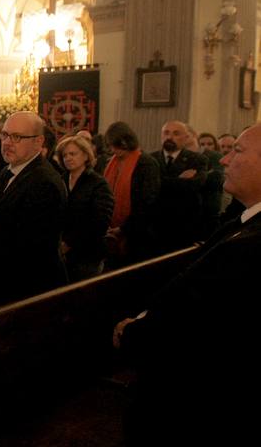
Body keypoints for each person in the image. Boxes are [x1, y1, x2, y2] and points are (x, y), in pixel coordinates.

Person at [112, 123, 261, 445]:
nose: (223, 160)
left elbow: (196, 323)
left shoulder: (250, 245)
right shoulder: (244, 222)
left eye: (238, 151)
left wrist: (136, 331)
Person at [0, 112, 67, 307]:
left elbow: (25, 250)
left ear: (38, 142)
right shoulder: (8, 170)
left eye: (17, 137)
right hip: (1, 284)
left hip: (26, 293)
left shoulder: (44, 183)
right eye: (5, 135)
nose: (7, 142)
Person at [101, 122, 161, 266]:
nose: (114, 149)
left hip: (137, 233)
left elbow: (147, 202)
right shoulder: (111, 163)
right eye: (112, 145)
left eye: (118, 144)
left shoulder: (146, 163)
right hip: (110, 229)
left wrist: (123, 229)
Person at [55, 134, 114, 281]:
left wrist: (69, 243)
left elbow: (100, 221)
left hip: (88, 254)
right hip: (61, 252)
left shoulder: (98, 183)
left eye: (73, 154)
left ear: (86, 156)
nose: (68, 158)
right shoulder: (60, 180)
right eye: (65, 155)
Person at [150, 120, 208, 253]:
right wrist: (179, 180)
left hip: (184, 223)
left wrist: (162, 182)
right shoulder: (150, 159)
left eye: (176, 133)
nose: (169, 137)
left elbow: (195, 185)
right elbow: (150, 187)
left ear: (186, 138)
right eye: (166, 133)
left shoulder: (197, 159)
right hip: (155, 223)